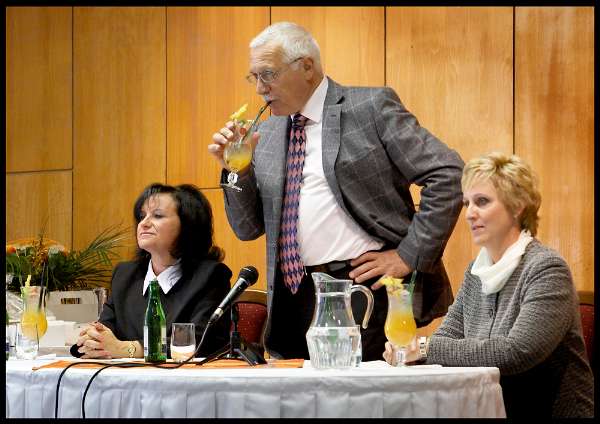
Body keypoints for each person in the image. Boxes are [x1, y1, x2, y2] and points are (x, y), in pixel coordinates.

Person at [208, 21, 464, 361]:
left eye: (268, 74)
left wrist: (408, 255)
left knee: (366, 393)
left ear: (307, 67)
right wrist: (234, 170)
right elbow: (247, 228)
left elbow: (448, 174)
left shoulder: (369, 108)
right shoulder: (265, 134)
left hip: (363, 289)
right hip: (292, 298)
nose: (259, 88)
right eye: (253, 77)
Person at [383, 152, 594, 418]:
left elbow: (516, 352)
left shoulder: (546, 269)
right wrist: (416, 351)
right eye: (467, 203)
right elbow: (446, 337)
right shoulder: (476, 272)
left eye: (482, 202)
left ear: (517, 206)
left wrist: (423, 348)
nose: (470, 214)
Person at [75, 183, 232, 359]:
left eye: (157, 215)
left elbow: (202, 342)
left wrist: (128, 349)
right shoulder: (124, 275)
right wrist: (93, 339)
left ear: (187, 225)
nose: (144, 223)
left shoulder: (211, 276)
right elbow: (105, 332)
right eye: (142, 216)